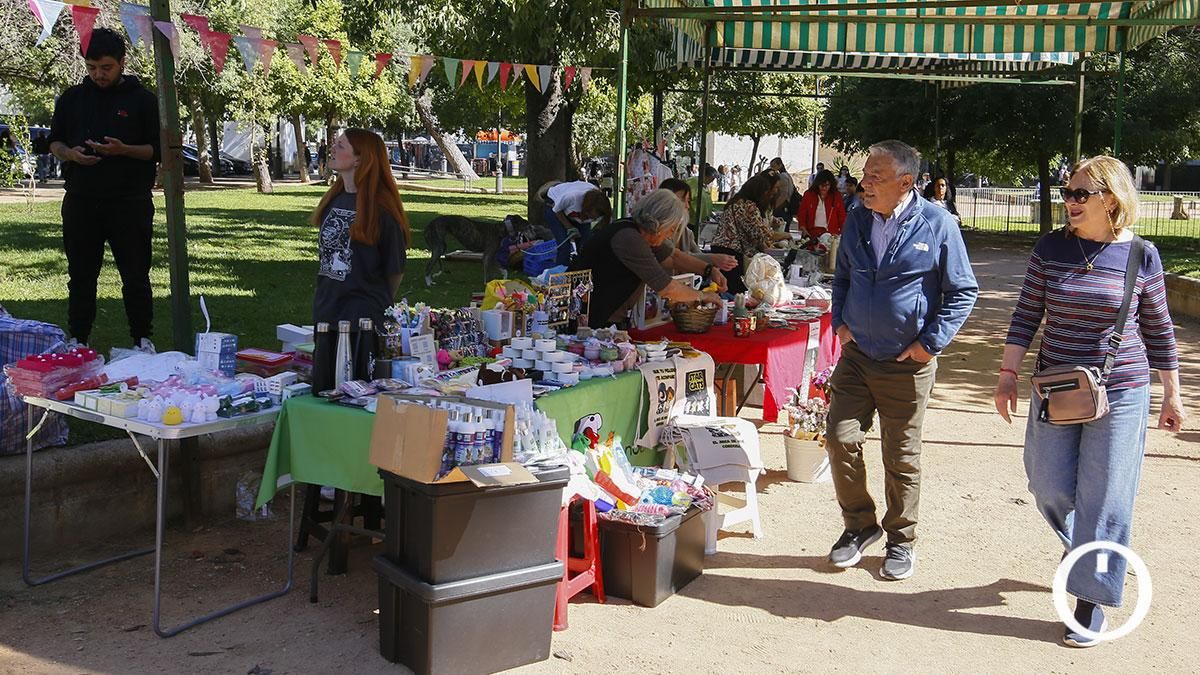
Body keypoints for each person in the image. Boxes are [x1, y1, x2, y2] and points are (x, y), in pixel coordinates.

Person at [993, 155, 1183, 647]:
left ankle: (1091, 600)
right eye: (1067, 193)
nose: (1069, 202)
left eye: (1080, 194)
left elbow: (1159, 329)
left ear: (1111, 199)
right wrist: (1007, 374)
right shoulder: (1051, 248)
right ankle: (1084, 550)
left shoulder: (1142, 255)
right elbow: (1026, 313)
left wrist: (1172, 394)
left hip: (1122, 389)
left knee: (1106, 498)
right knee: (1048, 484)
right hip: (1057, 385)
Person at [825, 140, 978, 581]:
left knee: (901, 455)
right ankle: (859, 526)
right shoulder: (856, 219)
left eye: (876, 177)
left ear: (906, 182)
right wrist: (840, 322)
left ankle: (901, 540)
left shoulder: (938, 223)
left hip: (907, 363)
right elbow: (843, 276)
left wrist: (930, 343)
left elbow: (962, 290)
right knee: (839, 437)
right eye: (865, 174)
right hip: (857, 357)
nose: (864, 183)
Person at [47, 28, 160, 351]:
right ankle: (79, 338)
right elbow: (54, 141)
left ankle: (142, 338)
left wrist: (123, 149)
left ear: (122, 63)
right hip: (81, 199)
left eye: (106, 67)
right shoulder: (72, 98)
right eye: (92, 67)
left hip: (130, 201)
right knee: (81, 275)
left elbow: (157, 151)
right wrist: (69, 154)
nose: (99, 74)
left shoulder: (143, 100)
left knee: (135, 274)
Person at [571, 189, 726, 327]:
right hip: (590, 319)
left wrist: (709, 270)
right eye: (671, 229)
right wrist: (702, 296)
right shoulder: (629, 238)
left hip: (608, 316)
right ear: (659, 223)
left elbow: (674, 257)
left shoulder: (642, 233)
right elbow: (666, 287)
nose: (671, 235)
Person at [311, 128, 409, 329]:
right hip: (327, 314)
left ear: (359, 159)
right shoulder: (333, 200)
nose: (332, 148)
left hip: (364, 321)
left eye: (341, 145)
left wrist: (373, 299)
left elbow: (395, 270)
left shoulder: (381, 210)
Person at [710, 171, 792, 294]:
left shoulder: (738, 202)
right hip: (731, 254)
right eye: (768, 191)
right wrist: (786, 235)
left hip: (723, 251)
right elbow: (762, 234)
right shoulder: (748, 206)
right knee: (735, 292)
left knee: (727, 289)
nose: (771, 194)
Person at [659, 178, 738, 272]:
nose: (687, 206)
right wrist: (713, 259)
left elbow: (697, 254)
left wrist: (712, 269)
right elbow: (675, 256)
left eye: (688, 201)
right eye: (682, 200)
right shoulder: (655, 230)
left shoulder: (686, 232)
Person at [542, 179, 612, 266]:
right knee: (564, 246)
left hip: (575, 211)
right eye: (592, 216)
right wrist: (569, 227)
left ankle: (583, 273)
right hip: (554, 206)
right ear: (588, 208)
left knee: (585, 247)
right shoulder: (572, 197)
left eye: (596, 217)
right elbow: (556, 210)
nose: (594, 219)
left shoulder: (600, 207)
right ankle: (560, 276)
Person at [797, 169, 847, 245]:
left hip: (831, 235)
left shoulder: (836, 196)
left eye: (827, 185)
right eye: (821, 185)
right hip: (811, 234)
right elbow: (802, 214)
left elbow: (841, 216)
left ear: (831, 185)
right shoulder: (808, 195)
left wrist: (841, 233)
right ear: (817, 184)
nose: (824, 188)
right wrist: (803, 228)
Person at [769, 157, 797, 229]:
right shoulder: (786, 175)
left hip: (783, 207)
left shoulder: (783, 176)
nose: (772, 168)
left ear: (779, 165)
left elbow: (784, 195)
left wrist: (775, 207)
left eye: (773, 165)